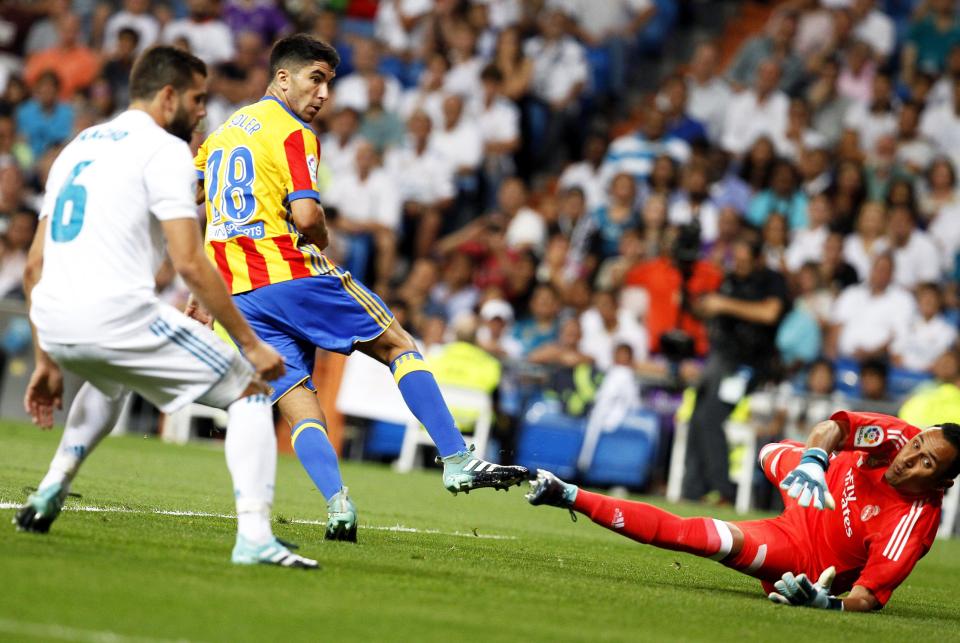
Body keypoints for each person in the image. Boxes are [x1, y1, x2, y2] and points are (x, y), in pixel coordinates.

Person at [192, 34, 527, 542]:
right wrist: (323, 238)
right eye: (315, 78)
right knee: (398, 345)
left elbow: (192, 199)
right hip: (291, 273)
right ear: (283, 77)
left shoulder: (223, 133)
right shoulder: (294, 132)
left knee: (297, 397)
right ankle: (458, 458)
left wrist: (202, 281)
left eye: (328, 82)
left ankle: (338, 505)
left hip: (238, 294)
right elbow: (306, 216)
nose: (324, 93)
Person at [13, 46, 315, 569]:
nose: (203, 113)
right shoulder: (165, 151)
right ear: (169, 95)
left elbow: (33, 266)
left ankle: (50, 490)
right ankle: (255, 537)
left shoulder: (78, 147)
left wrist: (46, 361)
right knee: (251, 389)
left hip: (59, 320)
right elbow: (190, 262)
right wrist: (249, 343)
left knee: (110, 378)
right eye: (198, 100)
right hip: (118, 316)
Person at [528, 410, 960, 611]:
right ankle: (803, 463)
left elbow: (866, 599)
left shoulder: (912, 523)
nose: (910, 457)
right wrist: (814, 461)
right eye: (918, 445)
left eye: (926, 462)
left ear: (943, 483)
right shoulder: (896, 437)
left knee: (701, 536)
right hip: (815, 484)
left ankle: (567, 494)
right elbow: (835, 427)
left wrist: (827, 605)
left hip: (802, 552)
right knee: (771, 451)